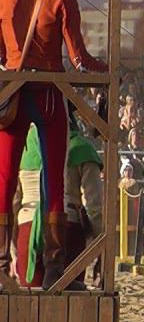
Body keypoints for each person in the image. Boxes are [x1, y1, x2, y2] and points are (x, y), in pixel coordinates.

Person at [0, 0, 107, 290]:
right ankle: (55, 265)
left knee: (5, 179)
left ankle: (1, 265)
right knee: (55, 183)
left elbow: (1, 53)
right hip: (48, 95)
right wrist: (108, 71)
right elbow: (79, 59)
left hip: (13, 94)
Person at [14, 114, 103, 290]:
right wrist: (100, 246)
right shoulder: (82, 148)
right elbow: (95, 207)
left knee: (29, 299)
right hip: (67, 228)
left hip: (27, 230)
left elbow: (14, 202)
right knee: (68, 300)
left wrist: (12, 249)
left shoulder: (22, 146)